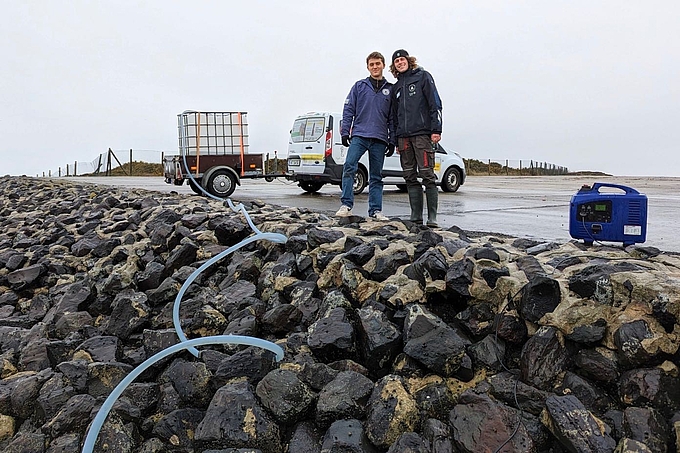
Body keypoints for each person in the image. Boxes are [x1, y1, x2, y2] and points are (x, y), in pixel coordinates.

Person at [336, 51, 395, 220]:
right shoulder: (359, 86)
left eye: (378, 63)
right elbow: (348, 109)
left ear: (383, 65)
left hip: (380, 138)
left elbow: (392, 118)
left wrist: (392, 140)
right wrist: (345, 131)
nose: (375, 67)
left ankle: (375, 210)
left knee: (376, 176)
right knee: (349, 166)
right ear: (368, 67)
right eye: (372, 64)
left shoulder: (390, 90)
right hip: (360, 135)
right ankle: (346, 205)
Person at [389, 49, 443, 227]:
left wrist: (436, 129)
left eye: (402, 60)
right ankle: (416, 215)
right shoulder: (396, 87)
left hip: (422, 135)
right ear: (394, 66)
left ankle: (432, 217)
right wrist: (396, 138)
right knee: (409, 176)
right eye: (397, 62)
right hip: (404, 138)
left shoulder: (423, 77)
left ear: (408, 60)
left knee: (427, 174)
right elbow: (394, 116)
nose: (400, 63)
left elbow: (435, 103)